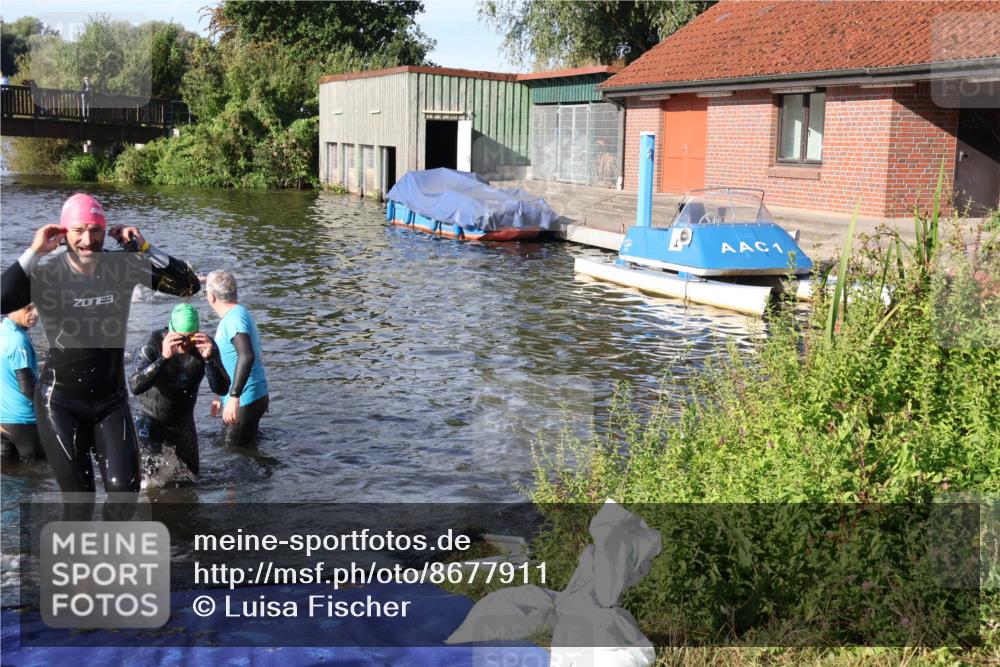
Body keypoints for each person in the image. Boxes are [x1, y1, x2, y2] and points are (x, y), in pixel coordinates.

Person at [0, 192, 200, 493]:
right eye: (78, 230)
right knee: (79, 501)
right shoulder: (48, 273)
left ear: (105, 231)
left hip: (110, 401)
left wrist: (145, 247)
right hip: (60, 402)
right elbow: (2, 300)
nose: (87, 239)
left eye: (95, 230)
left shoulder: (122, 267)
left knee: (125, 494)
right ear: (64, 233)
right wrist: (34, 251)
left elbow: (188, 285)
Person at [129, 303, 230, 476]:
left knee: (191, 480)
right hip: (149, 418)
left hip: (182, 422)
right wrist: (164, 358)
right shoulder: (151, 344)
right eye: (181, 338)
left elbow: (222, 389)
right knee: (147, 477)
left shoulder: (205, 345)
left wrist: (209, 359)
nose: (186, 343)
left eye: (191, 338)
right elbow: (135, 386)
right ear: (171, 331)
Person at [205, 270, 268, 447]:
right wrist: (219, 395)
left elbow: (247, 355)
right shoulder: (236, 314)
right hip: (250, 396)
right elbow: (228, 358)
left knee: (232, 452)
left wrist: (234, 397)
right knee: (246, 450)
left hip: (245, 398)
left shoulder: (234, 319)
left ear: (212, 296)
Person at [1, 304, 45, 462]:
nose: (35, 313)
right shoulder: (18, 340)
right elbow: (27, 388)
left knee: (9, 470)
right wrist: (50, 412)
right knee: (37, 471)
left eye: (38, 307)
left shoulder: (3, 331)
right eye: (28, 308)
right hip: (25, 422)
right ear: (11, 307)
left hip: (3, 421)